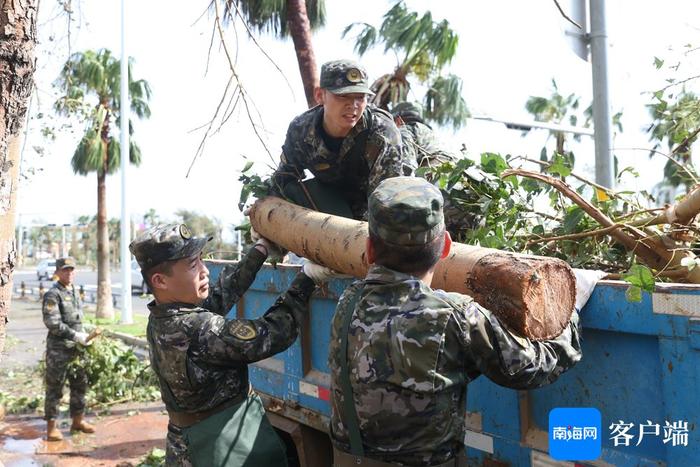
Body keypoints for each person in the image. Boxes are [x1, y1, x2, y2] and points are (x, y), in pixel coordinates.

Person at [328, 177, 582, 466]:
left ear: (370, 249)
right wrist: (569, 311)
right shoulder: (454, 315)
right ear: (446, 246)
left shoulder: (347, 301)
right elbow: (532, 367)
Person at [129, 224, 317, 466]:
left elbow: (223, 293)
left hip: (188, 443)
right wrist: (307, 279)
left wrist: (260, 249)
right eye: (192, 265)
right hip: (220, 446)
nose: (204, 271)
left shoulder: (163, 317)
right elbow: (273, 334)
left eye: (201, 260)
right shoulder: (200, 329)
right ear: (160, 280)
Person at [270, 59, 415, 220]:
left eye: (360, 97)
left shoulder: (381, 132)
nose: (353, 105)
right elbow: (283, 180)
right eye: (343, 96)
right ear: (320, 95)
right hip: (335, 203)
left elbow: (388, 200)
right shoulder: (301, 130)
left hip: (380, 204)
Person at [42, 256, 95, 441]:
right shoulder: (52, 294)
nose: (69, 273)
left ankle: (78, 421)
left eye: (71, 269)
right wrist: (76, 335)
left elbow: (76, 319)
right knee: (55, 388)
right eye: (65, 270)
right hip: (59, 350)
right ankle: (51, 428)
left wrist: (84, 333)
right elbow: (53, 323)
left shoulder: (73, 291)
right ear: (57, 272)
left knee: (80, 385)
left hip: (77, 349)